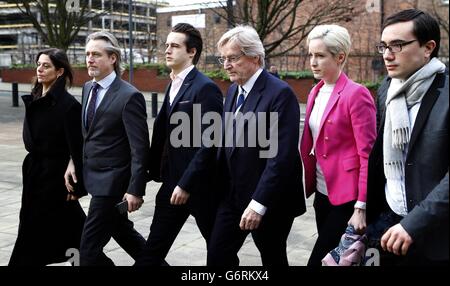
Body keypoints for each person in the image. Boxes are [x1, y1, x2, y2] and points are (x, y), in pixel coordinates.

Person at [207, 25, 305, 266]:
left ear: (255, 57)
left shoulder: (280, 94)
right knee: (217, 256)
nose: (226, 64)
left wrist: (259, 204)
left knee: (272, 259)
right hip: (232, 196)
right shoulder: (232, 91)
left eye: (233, 58)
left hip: (270, 201)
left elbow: (280, 158)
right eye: (224, 58)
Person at [135, 23, 223, 266]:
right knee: (152, 250)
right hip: (171, 183)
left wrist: (186, 184)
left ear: (191, 52)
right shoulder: (173, 84)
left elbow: (211, 142)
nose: (167, 50)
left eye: (174, 46)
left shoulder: (206, 88)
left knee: (218, 253)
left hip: (201, 187)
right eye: (167, 45)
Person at [366, 9, 448, 265]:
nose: (387, 55)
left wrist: (414, 222)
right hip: (387, 222)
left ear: (428, 48)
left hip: (437, 234)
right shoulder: (387, 90)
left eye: (398, 45)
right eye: (384, 46)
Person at [65, 31, 150, 266]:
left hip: (112, 184)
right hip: (93, 179)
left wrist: (136, 190)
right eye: (87, 54)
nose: (89, 59)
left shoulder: (129, 96)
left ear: (113, 58)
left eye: (96, 54)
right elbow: (88, 135)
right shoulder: (87, 88)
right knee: (125, 235)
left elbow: (140, 149)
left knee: (88, 251)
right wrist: (73, 161)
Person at [299, 24, 377, 266]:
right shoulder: (315, 91)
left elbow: (368, 155)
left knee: (321, 260)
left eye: (320, 56)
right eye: (311, 55)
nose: (313, 61)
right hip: (322, 192)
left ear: (340, 57)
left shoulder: (357, 94)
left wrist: (361, 205)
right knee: (337, 260)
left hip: (348, 197)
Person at [9, 48, 86, 266]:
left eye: (46, 66)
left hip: (54, 178)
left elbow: (77, 148)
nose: (40, 69)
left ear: (60, 71)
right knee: (72, 230)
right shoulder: (36, 97)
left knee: (32, 232)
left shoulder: (69, 106)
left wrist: (77, 187)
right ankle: (91, 258)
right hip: (35, 172)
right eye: (39, 64)